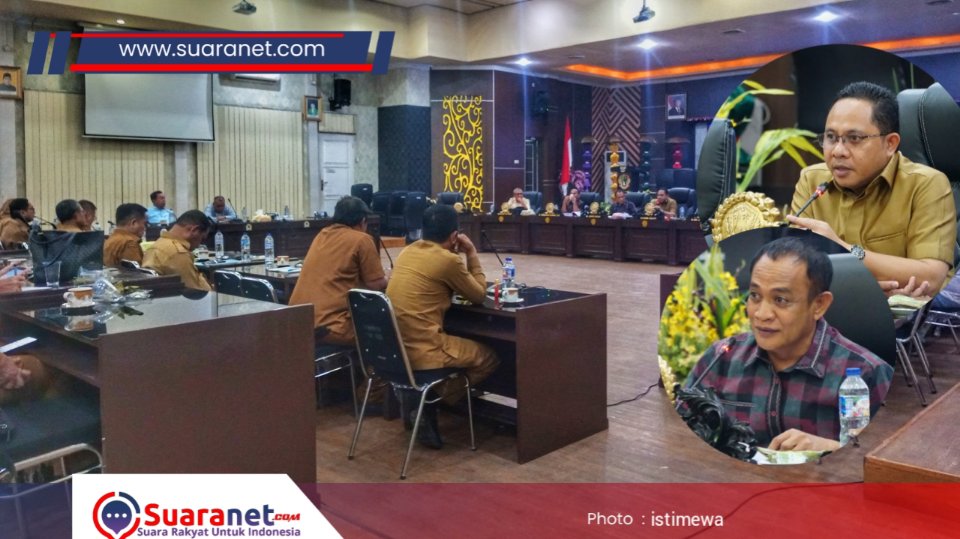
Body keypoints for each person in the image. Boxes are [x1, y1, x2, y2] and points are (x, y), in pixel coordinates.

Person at [684, 237, 893, 452]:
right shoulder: (721, 357)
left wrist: (833, 448)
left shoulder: (867, 373)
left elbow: (886, 457)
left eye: (780, 300)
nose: (762, 314)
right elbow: (685, 430)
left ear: (819, 305)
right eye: (755, 296)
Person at [787, 81, 956, 298]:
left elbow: (931, 276)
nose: (838, 151)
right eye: (831, 137)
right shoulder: (812, 180)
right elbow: (797, 269)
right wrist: (865, 287)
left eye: (854, 139)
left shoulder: (926, 184)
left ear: (890, 144)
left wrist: (843, 249)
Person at [386, 204, 499, 448]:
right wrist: (471, 253)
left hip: (395, 350)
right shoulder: (448, 260)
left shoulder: (407, 252)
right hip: (423, 349)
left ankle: (421, 398)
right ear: (454, 236)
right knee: (489, 357)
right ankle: (430, 400)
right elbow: (479, 295)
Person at [289, 196, 386, 345]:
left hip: (296, 322)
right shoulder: (361, 239)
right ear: (363, 221)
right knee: (386, 326)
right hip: (329, 328)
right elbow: (375, 284)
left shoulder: (322, 234)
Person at [142, 210, 212, 290]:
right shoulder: (178, 253)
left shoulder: (158, 244)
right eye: (202, 239)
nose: (199, 245)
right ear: (194, 230)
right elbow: (194, 291)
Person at [103, 203, 147, 267]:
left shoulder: (110, 239)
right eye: (144, 224)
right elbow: (136, 272)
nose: (145, 228)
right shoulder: (129, 243)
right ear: (134, 223)